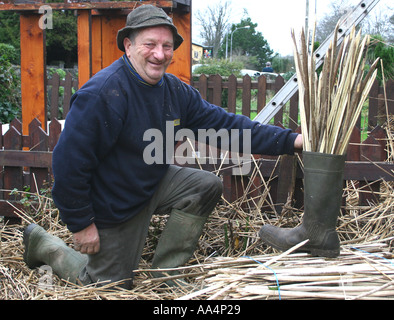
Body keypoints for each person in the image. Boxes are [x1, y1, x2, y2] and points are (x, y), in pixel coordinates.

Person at [23, 5, 302, 289]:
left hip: (149, 182)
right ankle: (44, 244)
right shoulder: (103, 94)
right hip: (113, 202)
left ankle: (166, 277)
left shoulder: (174, 91)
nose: (160, 54)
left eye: (167, 46)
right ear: (129, 46)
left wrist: (291, 141)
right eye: (150, 44)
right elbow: (69, 164)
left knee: (204, 186)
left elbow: (225, 126)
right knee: (107, 286)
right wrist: (81, 224)